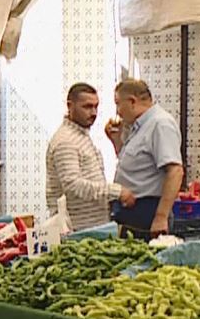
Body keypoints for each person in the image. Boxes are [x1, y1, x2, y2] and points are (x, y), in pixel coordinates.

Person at [46, 83, 134, 231]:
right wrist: (116, 192)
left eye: (96, 107)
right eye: (87, 107)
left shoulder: (80, 136)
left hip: (92, 227)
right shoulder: (65, 141)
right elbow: (74, 185)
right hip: (76, 232)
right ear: (70, 106)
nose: (93, 113)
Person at [106, 79, 183, 235]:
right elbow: (138, 167)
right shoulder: (137, 127)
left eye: (118, 104)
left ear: (132, 101)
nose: (118, 112)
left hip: (147, 212)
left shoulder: (160, 124)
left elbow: (175, 171)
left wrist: (161, 217)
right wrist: (116, 140)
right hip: (130, 212)